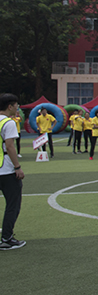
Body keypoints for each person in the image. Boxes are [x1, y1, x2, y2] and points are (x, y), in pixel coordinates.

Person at [0, 93, 26, 250]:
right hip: (6, 170)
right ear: (10, 106)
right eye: (16, 105)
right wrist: (17, 167)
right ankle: (7, 238)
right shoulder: (8, 123)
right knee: (13, 204)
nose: (18, 108)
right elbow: (10, 146)